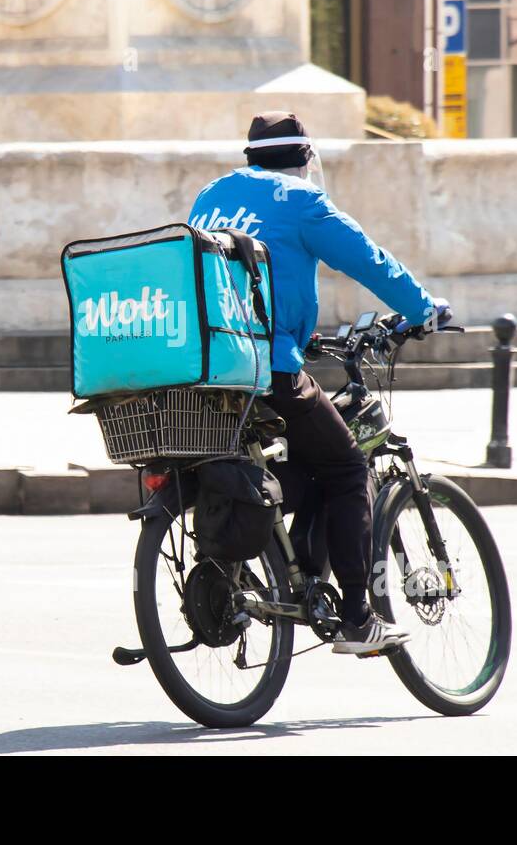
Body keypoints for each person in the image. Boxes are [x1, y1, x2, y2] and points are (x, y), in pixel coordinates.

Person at [188, 111, 450, 655]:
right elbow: (369, 261)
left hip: (207, 366)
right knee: (349, 466)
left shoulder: (212, 195)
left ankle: (291, 572)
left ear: (251, 157)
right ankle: (358, 619)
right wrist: (422, 309)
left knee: (302, 462)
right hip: (267, 366)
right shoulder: (300, 201)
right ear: (306, 157)